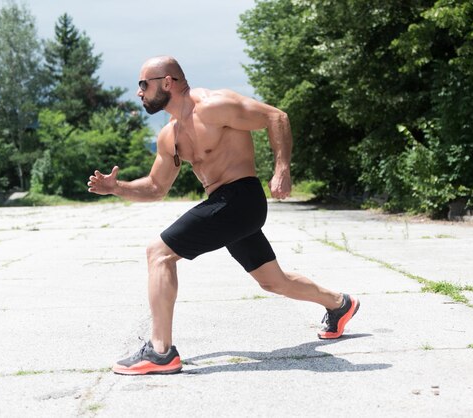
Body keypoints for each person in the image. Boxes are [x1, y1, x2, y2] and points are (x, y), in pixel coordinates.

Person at [87, 56, 360, 375]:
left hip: (242, 198)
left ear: (167, 82)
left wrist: (282, 169)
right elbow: (155, 187)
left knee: (159, 254)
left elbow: (276, 117)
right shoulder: (170, 136)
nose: (139, 92)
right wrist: (116, 187)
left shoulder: (214, 106)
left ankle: (160, 351)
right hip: (226, 206)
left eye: (143, 84)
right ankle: (340, 304)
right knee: (274, 282)